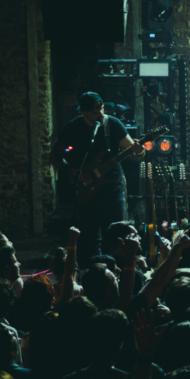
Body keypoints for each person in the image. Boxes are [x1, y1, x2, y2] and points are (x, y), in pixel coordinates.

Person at [51, 92, 143, 265]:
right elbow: (55, 156)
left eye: (101, 108)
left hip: (112, 186)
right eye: (94, 111)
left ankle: (117, 268)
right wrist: (74, 171)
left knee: (116, 231)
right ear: (82, 112)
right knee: (89, 233)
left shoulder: (112, 124)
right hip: (87, 187)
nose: (100, 113)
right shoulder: (72, 128)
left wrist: (139, 151)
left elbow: (134, 153)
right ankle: (93, 269)